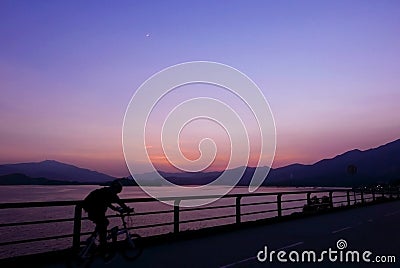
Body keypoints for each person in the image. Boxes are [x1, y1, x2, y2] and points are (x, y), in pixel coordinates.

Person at [82, 180, 132, 256]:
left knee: (102, 223)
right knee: (104, 223)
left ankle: (92, 238)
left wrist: (115, 208)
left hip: (90, 208)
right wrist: (127, 209)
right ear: (116, 188)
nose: (117, 193)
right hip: (94, 210)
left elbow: (106, 202)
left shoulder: (105, 191)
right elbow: (119, 202)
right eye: (117, 191)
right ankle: (102, 246)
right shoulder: (111, 193)